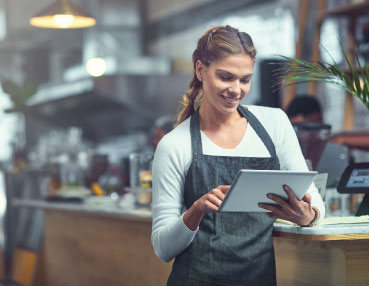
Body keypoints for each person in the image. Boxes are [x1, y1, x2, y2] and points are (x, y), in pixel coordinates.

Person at [151, 25, 325, 285]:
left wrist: (307, 217)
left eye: (245, 79)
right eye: (226, 76)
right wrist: (196, 211)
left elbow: (316, 204)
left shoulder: (274, 123)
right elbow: (163, 248)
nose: (236, 89)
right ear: (200, 70)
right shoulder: (174, 145)